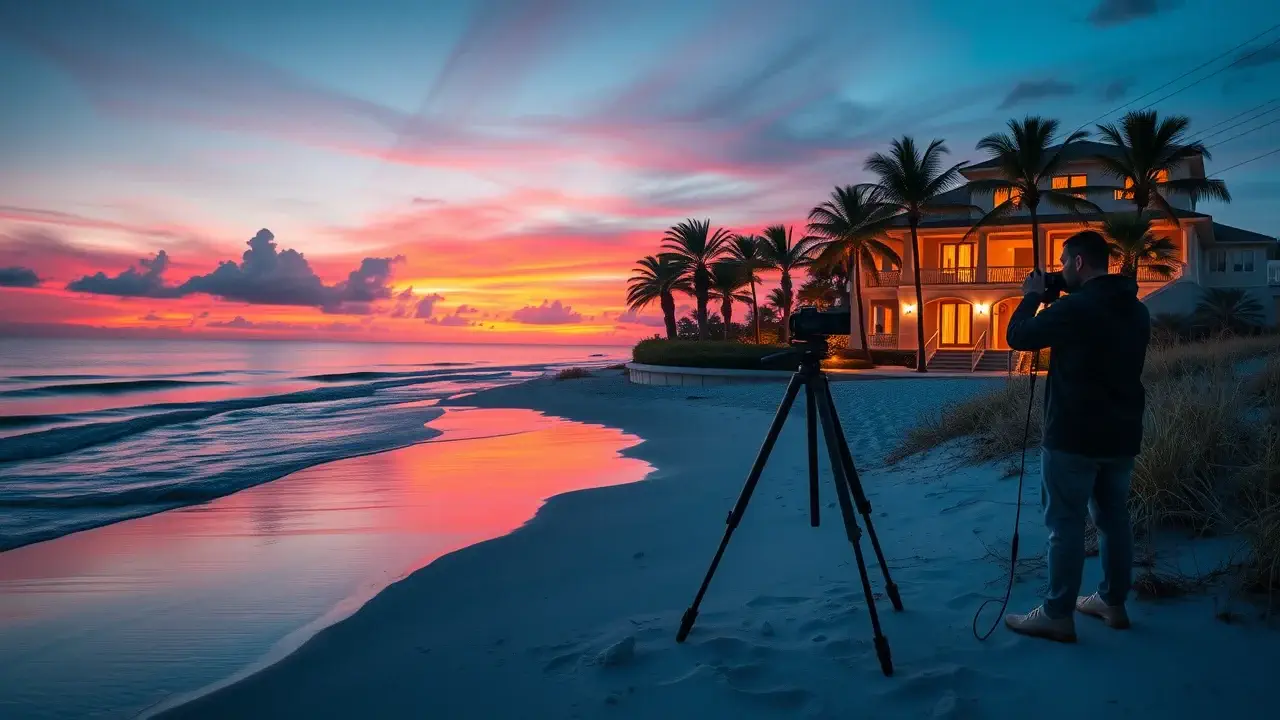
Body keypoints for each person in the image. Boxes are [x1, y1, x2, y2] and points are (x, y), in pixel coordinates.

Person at [1002, 230, 1150, 643]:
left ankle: (1057, 614)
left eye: (1064, 261)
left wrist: (1032, 296)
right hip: (1122, 433)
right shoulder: (1137, 310)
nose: (1061, 268)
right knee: (1113, 520)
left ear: (1079, 262)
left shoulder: (1078, 308)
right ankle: (1113, 602)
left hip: (1073, 435)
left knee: (1065, 524)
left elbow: (1018, 336)